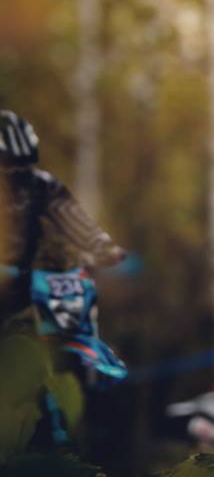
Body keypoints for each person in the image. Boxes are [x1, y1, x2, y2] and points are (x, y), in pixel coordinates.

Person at [0, 109, 126, 458]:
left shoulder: (42, 186)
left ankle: (59, 428)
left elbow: (76, 221)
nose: (15, 177)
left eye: (21, 167)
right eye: (6, 167)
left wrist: (105, 250)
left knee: (43, 351)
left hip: (27, 292)